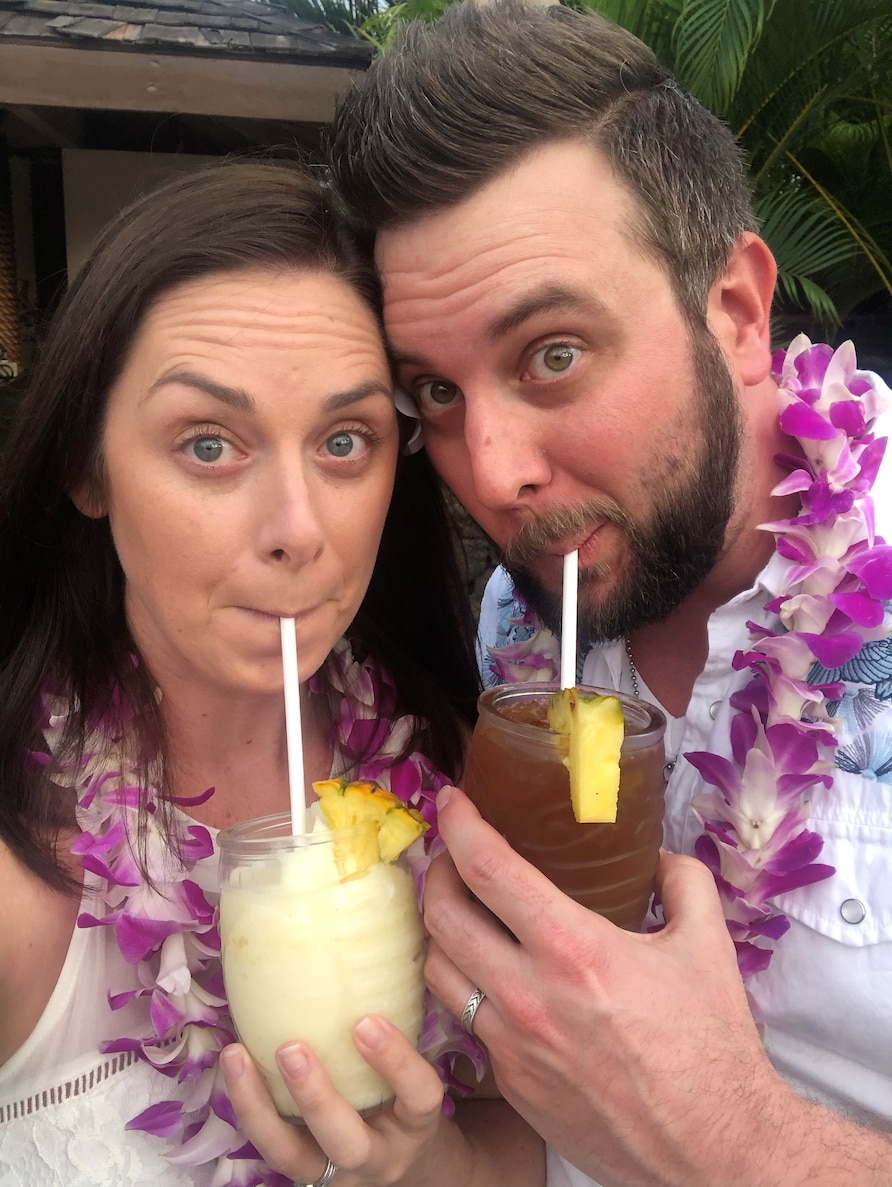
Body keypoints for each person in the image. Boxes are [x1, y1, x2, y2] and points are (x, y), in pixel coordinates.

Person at [327, 3, 892, 1185]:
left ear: (735, 310)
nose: (491, 473)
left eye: (552, 354)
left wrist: (737, 1143)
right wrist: (414, 1148)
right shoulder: (519, 627)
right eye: (434, 391)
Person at [0, 161, 545, 1187]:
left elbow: (535, 1147)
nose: (299, 529)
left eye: (346, 441)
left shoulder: (471, 791)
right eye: (209, 443)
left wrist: (425, 1159)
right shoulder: (21, 878)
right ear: (86, 466)